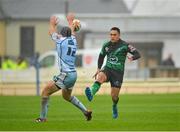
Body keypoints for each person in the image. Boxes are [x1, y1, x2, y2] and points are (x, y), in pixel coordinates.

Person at [35, 14, 92, 122]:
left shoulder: (61, 41)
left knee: (45, 92)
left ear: (62, 35)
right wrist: (71, 22)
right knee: (66, 97)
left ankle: (42, 118)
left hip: (66, 74)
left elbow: (51, 32)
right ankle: (86, 112)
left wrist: (52, 24)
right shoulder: (73, 41)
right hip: (73, 74)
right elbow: (72, 32)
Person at [85, 27, 141, 119]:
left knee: (114, 96)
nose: (112, 36)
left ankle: (114, 106)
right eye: (111, 34)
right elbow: (101, 56)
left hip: (118, 73)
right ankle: (91, 93)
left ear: (119, 35)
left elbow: (138, 54)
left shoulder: (125, 45)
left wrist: (132, 58)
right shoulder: (106, 45)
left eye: (114, 35)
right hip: (108, 68)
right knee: (100, 77)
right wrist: (99, 68)